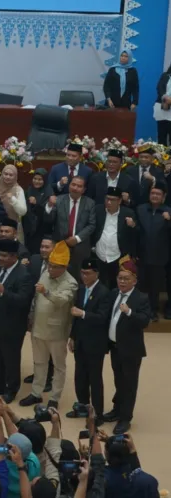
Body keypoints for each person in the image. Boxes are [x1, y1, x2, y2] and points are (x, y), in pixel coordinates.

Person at [20, 241, 78, 408]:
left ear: (64, 267)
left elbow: (62, 300)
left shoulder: (71, 282)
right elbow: (36, 298)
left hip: (56, 332)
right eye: (49, 265)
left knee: (58, 366)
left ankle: (54, 397)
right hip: (38, 327)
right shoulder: (45, 273)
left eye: (54, 267)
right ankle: (36, 393)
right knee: (39, 362)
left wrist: (47, 292)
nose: (50, 269)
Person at [0, 239, 33, 404]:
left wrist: (4, 292)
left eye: (4, 256)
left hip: (12, 325)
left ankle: (11, 389)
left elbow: (23, 300)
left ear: (14, 256)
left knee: (11, 359)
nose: (0, 259)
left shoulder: (24, 275)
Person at [105, 257, 151, 434]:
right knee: (119, 381)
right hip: (115, 347)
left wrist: (129, 312)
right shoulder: (113, 294)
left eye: (126, 279)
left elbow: (144, 321)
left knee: (129, 384)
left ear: (134, 281)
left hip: (131, 350)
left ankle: (125, 418)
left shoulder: (141, 298)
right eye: (120, 278)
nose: (122, 282)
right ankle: (117, 410)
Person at [66, 258, 111, 424]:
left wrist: (83, 313)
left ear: (96, 274)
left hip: (95, 343)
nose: (84, 276)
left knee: (94, 379)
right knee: (80, 377)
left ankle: (98, 413)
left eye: (88, 273)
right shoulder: (81, 289)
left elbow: (102, 317)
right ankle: (83, 407)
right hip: (80, 341)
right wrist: (72, 336)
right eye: (82, 273)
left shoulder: (104, 292)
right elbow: (75, 318)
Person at [45, 175, 96, 278]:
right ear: (69, 186)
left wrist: (77, 238)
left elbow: (92, 225)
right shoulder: (59, 200)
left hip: (80, 247)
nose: (75, 188)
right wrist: (49, 206)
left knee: (79, 278)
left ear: (84, 190)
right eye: (73, 184)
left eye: (79, 186)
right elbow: (49, 220)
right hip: (60, 244)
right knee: (58, 276)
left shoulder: (90, 203)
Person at [135, 184, 171, 320]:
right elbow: (137, 231)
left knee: (155, 286)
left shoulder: (168, 211)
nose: (155, 196)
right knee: (141, 284)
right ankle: (140, 309)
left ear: (164, 197)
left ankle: (153, 310)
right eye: (152, 193)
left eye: (158, 194)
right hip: (142, 254)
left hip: (160, 255)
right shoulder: (141, 209)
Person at [92, 186, 138, 289]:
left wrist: (133, 225)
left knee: (115, 286)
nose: (109, 202)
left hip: (118, 257)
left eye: (112, 200)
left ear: (119, 201)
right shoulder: (98, 210)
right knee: (99, 286)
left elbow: (135, 234)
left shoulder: (128, 213)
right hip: (99, 255)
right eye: (107, 199)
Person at [0, 164, 28, 241]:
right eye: (5, 174)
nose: (7, 177)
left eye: (11, 175)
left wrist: (13, 199)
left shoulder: (18, 190)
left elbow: (22, 211)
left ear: (15, 176)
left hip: (12, 227)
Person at [23, 168, 53, 254]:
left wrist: (36, 204)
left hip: (41, 231)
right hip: (28, 229)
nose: (36, 181)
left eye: (40, 179)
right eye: (35, 179)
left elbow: (48, 214)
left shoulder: (49, 192)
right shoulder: (29, 189)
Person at [155, 63, 171, 145]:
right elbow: (159, 87)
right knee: (161, 134)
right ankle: (161, 152)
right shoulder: (165, 75)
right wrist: (165, 98)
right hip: (161, 107)